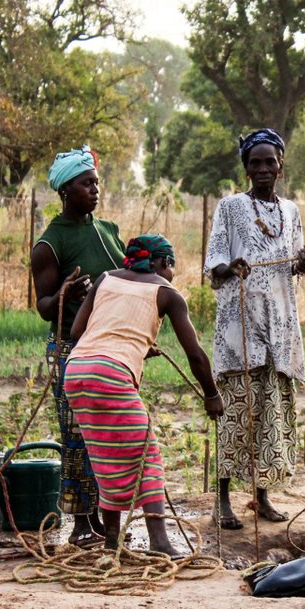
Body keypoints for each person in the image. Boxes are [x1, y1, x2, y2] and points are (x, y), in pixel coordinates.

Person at [63, 235, 224, 555]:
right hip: (110, 374)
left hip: (77, 371)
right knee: (147, 456)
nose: (172, 273)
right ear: (163, 263)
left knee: (103, 458)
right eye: (172, 266)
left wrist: (131, 343)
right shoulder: (167, 293)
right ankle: (161, 542)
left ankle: (111, 540)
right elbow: (195, 355)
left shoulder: (106, 279)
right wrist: (212, 394)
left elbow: (77, 333)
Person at [205, 128, 305, 529]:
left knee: (271, 413)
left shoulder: (291, 211)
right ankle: (222, 501)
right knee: (236, 412)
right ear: (246, 168)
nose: (263, 169)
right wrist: (229, 268)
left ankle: (262, 497)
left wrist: (302, 261)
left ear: (281, 165)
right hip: (241, 327)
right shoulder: (231, 208)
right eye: (255, 163)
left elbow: (290, 266)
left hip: (280, 327)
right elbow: (214, 263)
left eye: (270, 161)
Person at [31, 147, 125, 547]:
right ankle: (81, 522)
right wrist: (66, 292)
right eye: (86, 184)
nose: (95, 189)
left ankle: (107, 518)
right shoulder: (49, 245)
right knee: (77, 435)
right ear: (65, 190)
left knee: (110, 434)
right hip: (72, 347)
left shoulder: (108, 231)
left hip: (112, 346)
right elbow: (43, 306)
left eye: (96, 182)